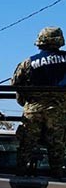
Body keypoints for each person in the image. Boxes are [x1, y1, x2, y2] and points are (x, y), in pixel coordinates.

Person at [11, 26, 66, 178]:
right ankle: (58, 177)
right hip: (59, 111)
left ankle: (20, 174)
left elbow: (15, 84)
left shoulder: (29, 62)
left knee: (26, 145)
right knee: (57, 146)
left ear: (40, 42)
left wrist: (24, 100)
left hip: (33, 110)